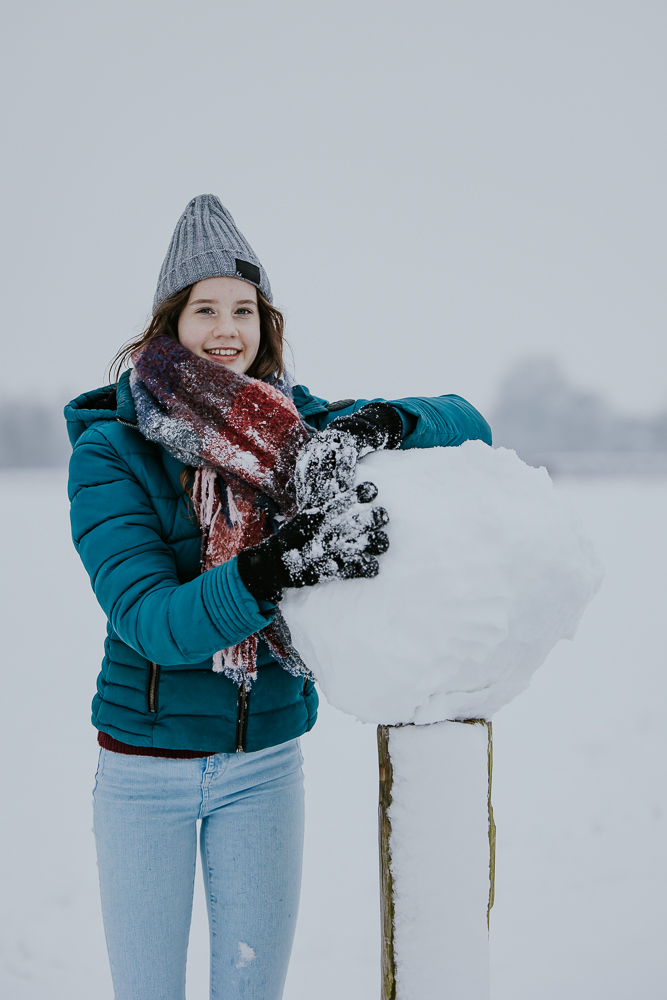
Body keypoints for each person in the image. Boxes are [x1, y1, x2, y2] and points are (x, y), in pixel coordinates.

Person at [64, 194, 492, 1000]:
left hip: (264, 764)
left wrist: (374, 428)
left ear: (266, 325)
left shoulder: (295, 434)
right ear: (168, 325)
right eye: (204, 309)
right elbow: (151, 622)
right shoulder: (110, 451)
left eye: (243, 309)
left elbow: (469, 421)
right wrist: (273, 567)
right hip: (143, 771)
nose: (226, 328)